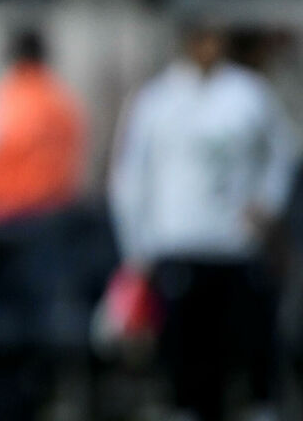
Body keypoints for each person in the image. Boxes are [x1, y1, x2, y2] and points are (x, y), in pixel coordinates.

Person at [109, 21, 300, 421]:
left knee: (246, 349)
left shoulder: (248, 94)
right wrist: (136, 249)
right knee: (188, 358)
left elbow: (282, 154)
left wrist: (267, 204)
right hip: (178, 242)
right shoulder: (157, 99)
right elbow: (130, 177)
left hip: (235, 245)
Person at [0, 27, 89, 421]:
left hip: (4, 226)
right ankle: (45, 400)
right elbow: (72, 163)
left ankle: (6, 404)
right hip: (52, 222)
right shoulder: (63, 102)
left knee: (1, 327)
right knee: (45, 324)